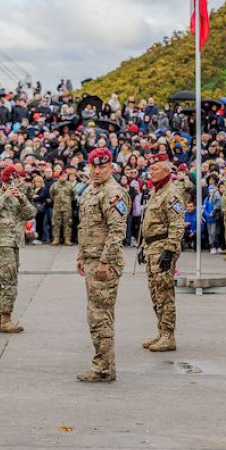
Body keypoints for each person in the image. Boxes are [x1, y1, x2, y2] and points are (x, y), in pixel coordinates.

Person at [76, 148, 129, 382]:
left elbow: (117, 231)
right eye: (93, 167)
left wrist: (105, 261)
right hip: (91, 260)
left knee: (100, 315)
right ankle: (103, 363)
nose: (96, 171)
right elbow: (85, 226)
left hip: (103, 263)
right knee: (96, 313)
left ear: (111, 167)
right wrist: (81, 256)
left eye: (102, 167)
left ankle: (104, 367)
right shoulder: (91, 190)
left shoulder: (113, 193)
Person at [137, 152, 185, 352]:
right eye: (150, 168)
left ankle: (168, 335)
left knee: (164, 293)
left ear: (166, 171)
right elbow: (147, 222)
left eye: (155, 169)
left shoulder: (172, 192)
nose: (151, 172)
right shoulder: (156, 191)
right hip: (151, 247)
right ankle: (160, 331)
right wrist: (141, 246)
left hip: (163, 247)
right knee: (155, 292)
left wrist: (170, 249)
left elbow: (177, 223)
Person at [0, 164, 37, 333]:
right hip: (1, 242)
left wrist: (21, 198)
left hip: (15, 242)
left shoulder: (19, 196)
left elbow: (31, 213)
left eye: (16, 181)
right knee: (10, 282)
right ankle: (6, 318)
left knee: (4, 281)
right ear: (4, 182)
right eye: (11, 182)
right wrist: (5, 196)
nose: (14, 185)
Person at [50, 168, 76, 245]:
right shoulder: (55, 184)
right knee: (56, 224)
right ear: (59, 176)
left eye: (65, 176)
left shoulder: (70, 185)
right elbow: (51, 194)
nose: (63, 177)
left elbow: (73, 196)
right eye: (62, 176)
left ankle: (67, 239)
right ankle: (56, 239)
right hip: (57, 207)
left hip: (67, 207)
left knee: (67, 223)